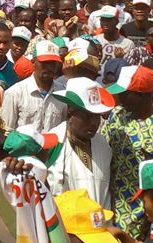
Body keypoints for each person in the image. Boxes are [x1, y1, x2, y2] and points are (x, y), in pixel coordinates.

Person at [102, 65, 153, 240]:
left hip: (138, 212)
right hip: (106, 200)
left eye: (124, 93)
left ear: (142, 95)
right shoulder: (117, 115)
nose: (119, 97)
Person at [47, 78, 114, 207]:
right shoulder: (52, 143)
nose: (94, 123)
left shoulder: (103, 145)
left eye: (97, 116)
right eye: (87, 116)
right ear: (70, 115)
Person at [0, 40, 67, 132]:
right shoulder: (15, 93)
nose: (49, 67)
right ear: (33, 62)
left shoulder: (63, 93)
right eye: (44, 63)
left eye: (53, 63)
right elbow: (6, 131)